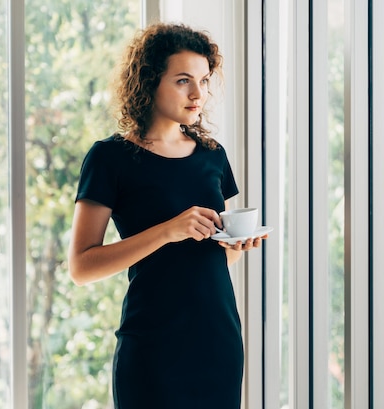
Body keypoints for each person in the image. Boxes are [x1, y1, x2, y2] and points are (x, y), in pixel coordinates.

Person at [67, 22, 266, 409]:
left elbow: (218, 254)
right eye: (182, 81)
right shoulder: (110, 159)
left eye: (204, 81)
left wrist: (237, 244)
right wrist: (166, 231)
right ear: (149, 81)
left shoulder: (213, 155)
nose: (198, 94)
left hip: (219, 342)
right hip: (153, 349)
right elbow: (80, 267)